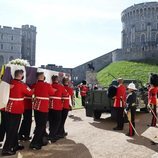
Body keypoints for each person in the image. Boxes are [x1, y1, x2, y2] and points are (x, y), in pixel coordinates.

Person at [2, 69, 33, 156]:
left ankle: (15, 145)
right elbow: (30, 93)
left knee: (13, 129)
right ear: (20, 75)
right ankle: (6, 149)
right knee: (12, 130)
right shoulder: (21, 84)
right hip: (16, 109)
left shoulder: (9, 83)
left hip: (9, 108)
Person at [30, 72, 55, 150]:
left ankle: (40, 140)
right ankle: (35, 143)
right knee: (41, 126)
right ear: (42, 77)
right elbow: (52, 93)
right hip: (43, 107)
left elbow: (31, 92)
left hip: (36, 107)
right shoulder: (47, 85)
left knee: (38, 125)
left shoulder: (35, 85)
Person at [48, 75, 67, 143]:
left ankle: (51, 133)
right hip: (57, 106)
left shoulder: (49, 85)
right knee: (57, 122)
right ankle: (52, 135)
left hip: (50, 106)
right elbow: (65, 93)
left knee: (51, 121)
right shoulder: (60, 86)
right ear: (57, 79)